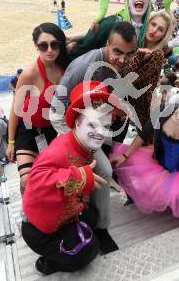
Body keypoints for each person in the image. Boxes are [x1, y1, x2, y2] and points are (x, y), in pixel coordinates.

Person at [50, 21, 138, 254]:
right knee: (96, 174)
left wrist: (115, 106)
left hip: (96, 129)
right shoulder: (83, 66)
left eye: (128, 54)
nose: (121, 59)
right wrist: (74, 142)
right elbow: (55, 110)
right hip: (72, 132)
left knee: (102, 174)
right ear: (108, 44)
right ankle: (79, 229)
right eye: (117, 51)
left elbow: (104, 92)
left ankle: (99, 228)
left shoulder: (122, 64)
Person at [22, 81, 118, 275]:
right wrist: (81, 177)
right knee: (86, 254)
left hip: (66, 214)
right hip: (40, 229)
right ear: (77, 122)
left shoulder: (84, 146)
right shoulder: (60, 149)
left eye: (105, 126)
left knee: (92, 216)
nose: (100, 132)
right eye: (92, 124)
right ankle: (49, 264)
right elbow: (35, 182)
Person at [110, 81, 179, 223]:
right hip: (157, 164)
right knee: (119, 166)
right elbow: (143, 133)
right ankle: (135, 198)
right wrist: (124, 155)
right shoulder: (163, 111)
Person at [6, 23, 69, 194]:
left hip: (50, 132)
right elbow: (15, 109)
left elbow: (89, 38)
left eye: (54, 44)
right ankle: (29, 215)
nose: (49, 50)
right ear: (36, 46)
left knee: (46, 182)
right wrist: (11, 142)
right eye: (43, 45)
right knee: (27, 180)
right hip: (26, 130)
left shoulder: (66, 68)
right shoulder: (30, 73)